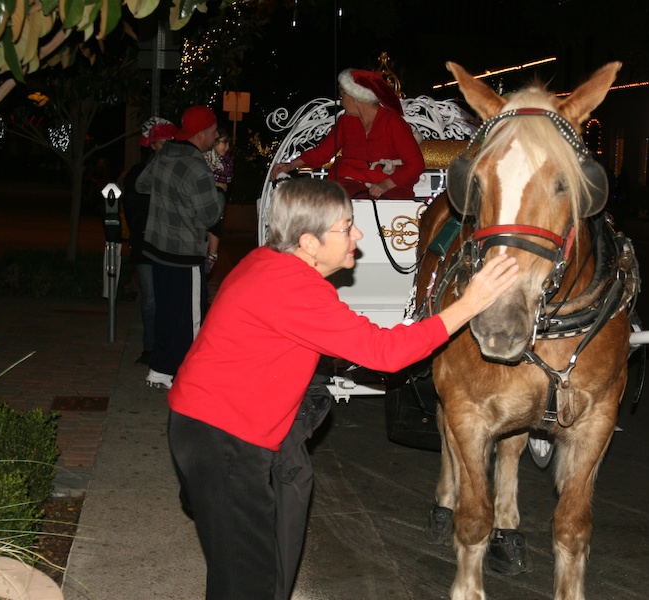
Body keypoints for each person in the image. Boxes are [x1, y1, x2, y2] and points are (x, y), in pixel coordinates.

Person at [166, 178, 518, 599]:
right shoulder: (295, 288)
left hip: (203, 426)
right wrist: (471, 303)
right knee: (247, 582)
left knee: (244, 568)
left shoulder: (267, 262)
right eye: (346, 226)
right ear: (309, 243)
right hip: (223, 441)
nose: (358, 235)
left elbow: (327, 335)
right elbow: (384, 354)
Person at [136, 106, 224, 390]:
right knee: (190, 319)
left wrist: (171, 193)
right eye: (213, 131)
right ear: (201, 134)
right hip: (184, 254)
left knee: (166, 312)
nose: (215, 136)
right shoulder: (197, 167)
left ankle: (161, 370)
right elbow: (211, 216)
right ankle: (190, 377)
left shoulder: (166, 154)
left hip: (157, 249)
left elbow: (142, 184)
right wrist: (220, 191)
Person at [270, 68, 425, 199]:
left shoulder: (393, 122)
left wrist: (386, 184)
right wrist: (290, 166)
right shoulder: (346, 121)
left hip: (389, 186)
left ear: (355, 98)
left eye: (342, 96)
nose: (341, 101)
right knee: (328, 199)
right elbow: (322, 152)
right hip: (350, 182)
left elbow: (416, 164)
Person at [122, 117, 176, 365]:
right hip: (146, 245)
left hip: (170, 245)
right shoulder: (137, 173)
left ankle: (166, 348)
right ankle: (150, 348)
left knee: (168, 298)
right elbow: (133, 209)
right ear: (152, 144)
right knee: (151, 299)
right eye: (161, 141)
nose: (166, 146)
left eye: (169, 141)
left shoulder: (176, 172)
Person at [203, 127, 234, 273]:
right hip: (203, 199)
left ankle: (212, 254)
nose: (227, 148)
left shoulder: (226, 161)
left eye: (228, 144)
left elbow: (226, 179)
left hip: (215, 198)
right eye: (223, 143)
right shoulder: (203, 156)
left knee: (215, 224)